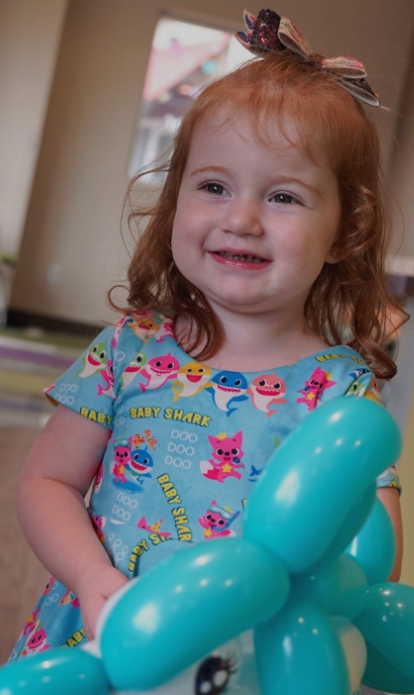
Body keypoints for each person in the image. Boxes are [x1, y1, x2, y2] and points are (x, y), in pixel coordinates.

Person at [10, 7, 404, 676]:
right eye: (214, 186)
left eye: (283, 197)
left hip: (246, 660)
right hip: (100, 633)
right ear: (176, 200)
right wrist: (90, 578)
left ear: (347, 228)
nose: (242, 219)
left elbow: (371, 546)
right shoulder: (127, 349)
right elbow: (46, 478)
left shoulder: (340, 390)